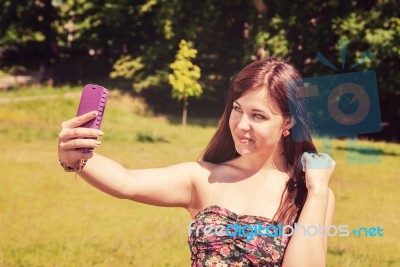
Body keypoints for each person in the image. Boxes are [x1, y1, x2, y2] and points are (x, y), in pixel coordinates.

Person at [58, 58, 335, 267]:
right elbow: (127, 182)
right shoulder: (202, 178)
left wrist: (319, 190)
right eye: (237, 110)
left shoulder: (309, 193)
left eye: (258, 116)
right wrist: (75, 158)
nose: (241, 125)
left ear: (288, 122)